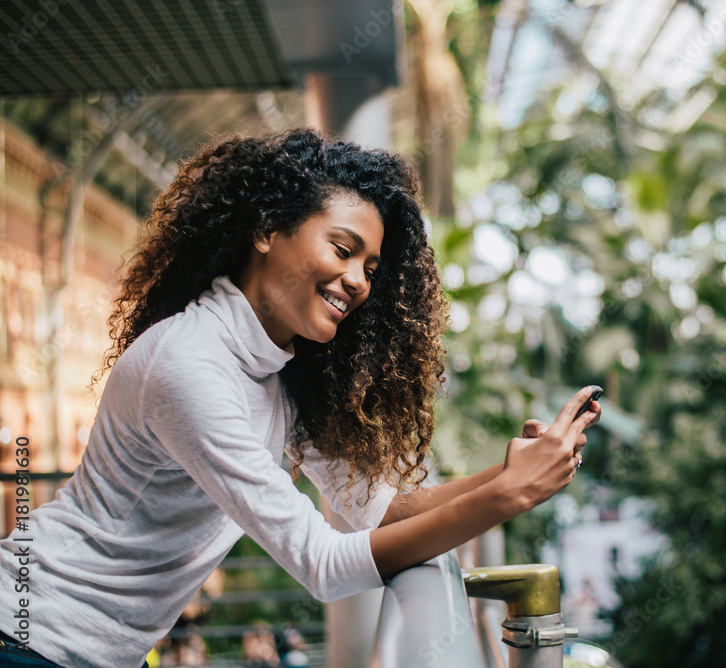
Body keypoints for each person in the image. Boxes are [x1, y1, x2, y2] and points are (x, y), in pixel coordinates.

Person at [0, 129, 601, 668]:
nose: (360, 281)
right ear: (266, 230)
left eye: (370, 266)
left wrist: (510, 470)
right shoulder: (189, 364)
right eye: (343, 250)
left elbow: (381, 511)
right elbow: (325, 566)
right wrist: (506, 495)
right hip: (32, 633)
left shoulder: (279, 367)